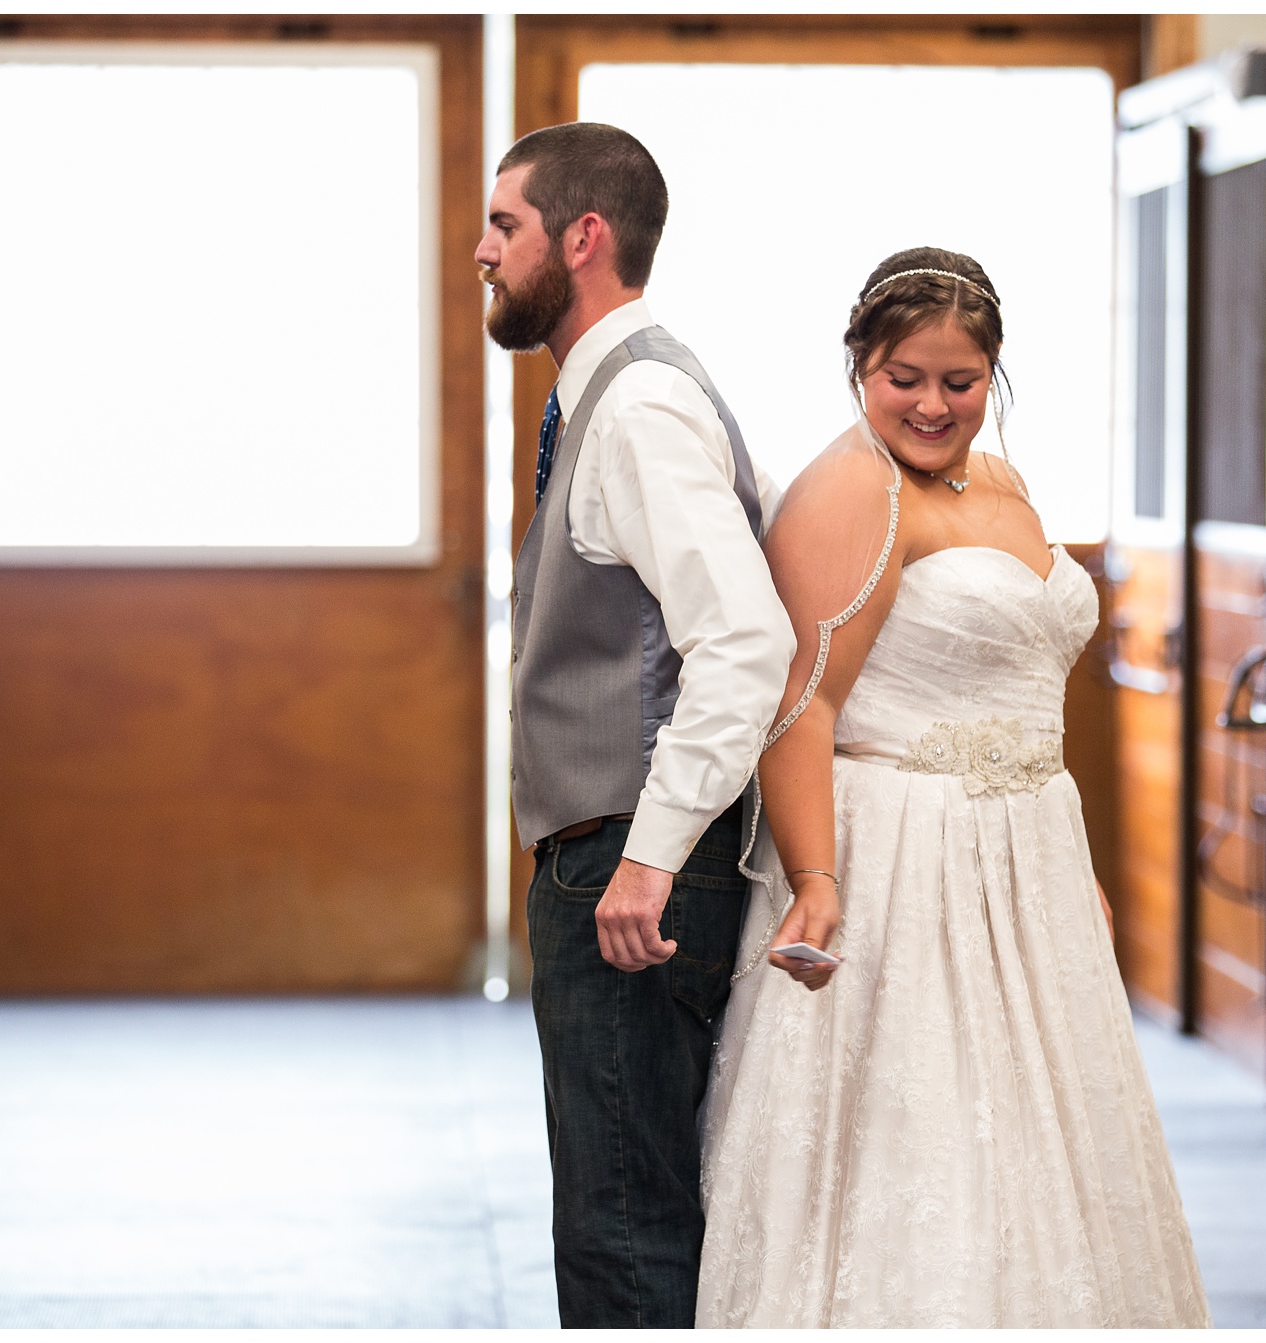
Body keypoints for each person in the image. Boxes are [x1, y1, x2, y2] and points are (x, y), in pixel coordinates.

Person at [695, 247, 1211, 1327]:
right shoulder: (848, 489)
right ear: (857, 367)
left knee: (1042, 1134)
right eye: (904, 378)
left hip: (1027, 848)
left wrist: (1069, 865)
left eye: (958, 381)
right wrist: (815, 875)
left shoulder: (1001, 478)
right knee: (930, 1134)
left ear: (992, 377)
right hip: (906, 855)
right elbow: (801, 704)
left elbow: (1026, 690)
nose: (932, 404)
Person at [475, 122, 796, 1328]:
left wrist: (649, 856)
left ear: (582, 236)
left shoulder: (639, 403)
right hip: (617, 856)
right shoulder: (606, 393)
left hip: (634, 869)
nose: (481, 250)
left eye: (503, 224)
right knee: (619, 1211)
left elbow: (746, 640)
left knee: (624, 1229)